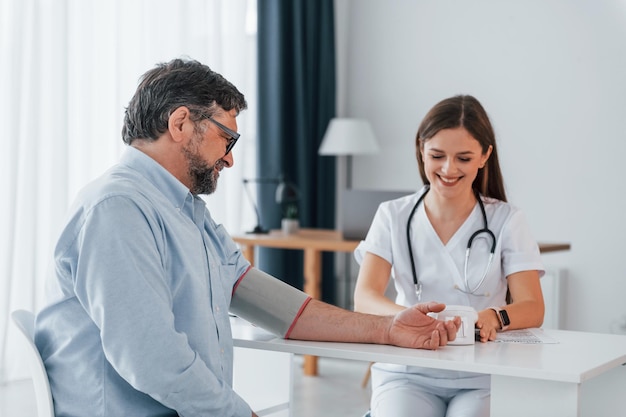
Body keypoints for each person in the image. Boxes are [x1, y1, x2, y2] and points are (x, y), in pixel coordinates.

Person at [33, 58, 461, 417]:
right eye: (226, 137)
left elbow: (279, 309)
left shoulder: (188, 214)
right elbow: (154, 360)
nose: (231, 158)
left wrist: (387, 329)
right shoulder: (117, 209)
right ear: (181, 122)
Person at [353, 95, 545, 417]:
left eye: (464, 158)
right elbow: (365, 298)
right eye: (437, 155)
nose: (448, 169)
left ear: (485, 156)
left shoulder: (507, 220)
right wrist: (406, 319)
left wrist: (494, 317)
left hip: (483, 374)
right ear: (421, 149)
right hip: (408, 370)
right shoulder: (392, 215)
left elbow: (533, 307)